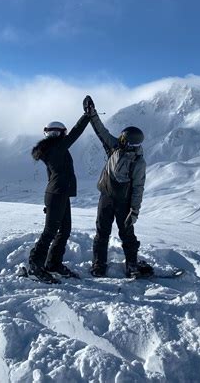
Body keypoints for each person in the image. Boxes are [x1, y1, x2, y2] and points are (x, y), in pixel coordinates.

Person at [83, 96, 150, 278]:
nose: (120, 139)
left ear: (126, 140)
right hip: (120, 201)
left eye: (123, 137)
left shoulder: (118, 150)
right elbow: (138, 188)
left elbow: (100, 131)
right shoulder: (134, 158)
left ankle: (101, 265)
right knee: (124, 234)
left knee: (104, 233)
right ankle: (129, 265)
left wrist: (92, 114)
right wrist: (134, 211)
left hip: (109, 199)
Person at [28, 109, 90, 282]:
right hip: (57, 194)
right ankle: (34, 265)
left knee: (64, 230)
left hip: (58, 194)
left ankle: (53, 264)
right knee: (50, 232)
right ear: (59, 133)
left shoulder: (51, 149)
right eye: (64, 133)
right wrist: (87, 116)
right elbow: (76, 133)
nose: (66, 136)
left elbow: (51, 174)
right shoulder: (58, 147)